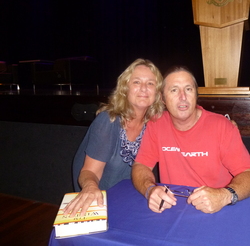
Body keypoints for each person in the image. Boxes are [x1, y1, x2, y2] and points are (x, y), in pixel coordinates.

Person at [132, 66, 250, 214]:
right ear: (162, 99)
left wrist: (225, 195)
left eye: (188, 89)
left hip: (217, 209)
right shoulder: (156, 124)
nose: (182, 96)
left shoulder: (222, 126)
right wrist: (150, 189)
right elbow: (141, 165)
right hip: (172, 208)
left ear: (196, 95)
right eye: (174, 90)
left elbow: (247, 172)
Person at [64, 58, 164, 217]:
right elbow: (90, 171)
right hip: (101, 199)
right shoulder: (108, 121)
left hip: (129, 196)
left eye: (150, 83)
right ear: (125, 88)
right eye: (137, 82)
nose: (144, 88)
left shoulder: (153, 124)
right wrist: (90, 188)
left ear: (158, 93)